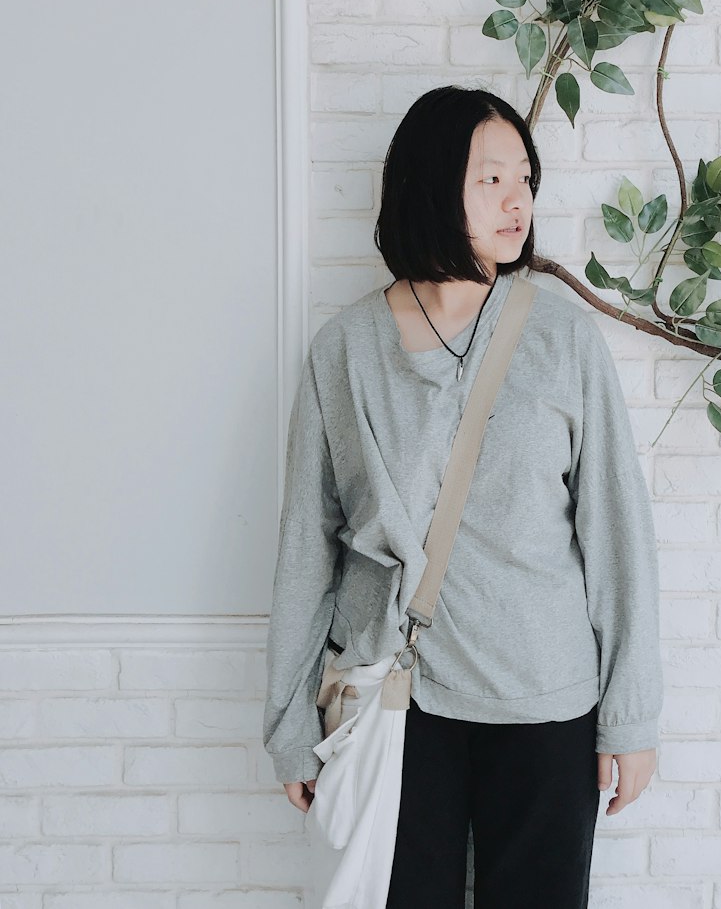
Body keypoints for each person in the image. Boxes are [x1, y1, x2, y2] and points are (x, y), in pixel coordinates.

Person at [263, 85, 663, 908]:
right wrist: (288, 724)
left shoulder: (562, 339)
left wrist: (630, 716)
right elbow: (308, 542)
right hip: (396, 703)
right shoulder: (343, 352)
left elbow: (618, 533)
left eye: (525, 176)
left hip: (547, 702)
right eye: (491, 178)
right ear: (431, 183)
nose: (519, 198)